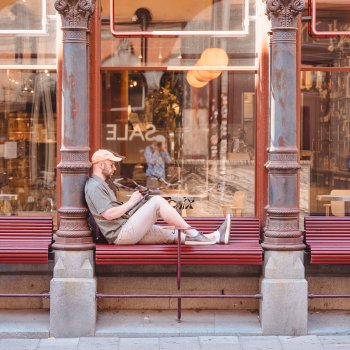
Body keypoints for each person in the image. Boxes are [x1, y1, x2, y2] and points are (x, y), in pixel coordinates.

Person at [85, 149, 231, 246]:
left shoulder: (101, 185)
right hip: (122, 234)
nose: (115, 168)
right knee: (158, 201)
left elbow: (115, 212)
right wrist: (132, 202)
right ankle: (193, 232)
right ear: (100, 164)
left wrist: (138, 202)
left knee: (173, 234)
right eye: (111, 164)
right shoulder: (94, 187)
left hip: (125, 229)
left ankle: (216, 237)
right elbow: (109, 214)